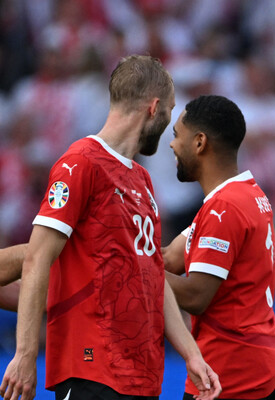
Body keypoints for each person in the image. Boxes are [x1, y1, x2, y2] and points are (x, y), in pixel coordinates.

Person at [0, 55, 220, 400]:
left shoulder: (143, 180)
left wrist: (192, 354)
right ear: (154, 108)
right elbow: (37, 259)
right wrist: (25, 354)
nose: (168, 125)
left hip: (142, 375)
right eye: (169, 111)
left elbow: (153, 274)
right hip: (91, 368)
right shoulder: (81, 162)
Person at [161, 95, 275, 400]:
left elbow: (196, 296)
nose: (172, 145)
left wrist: (132, 269)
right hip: (258, 361)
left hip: (233, 372)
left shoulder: (225, 208)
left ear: (200, 142)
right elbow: (168, 259)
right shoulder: (244, 194)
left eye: (177, 135)